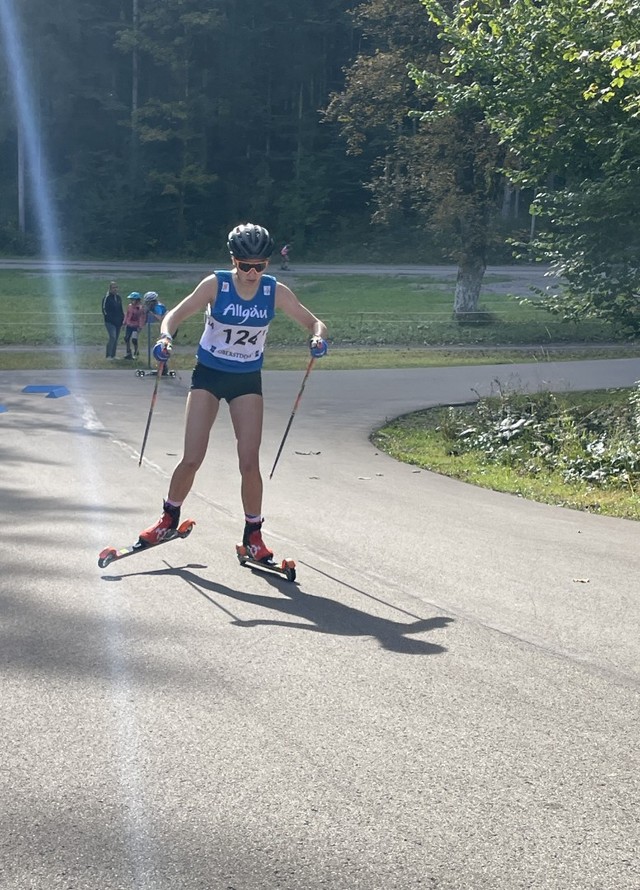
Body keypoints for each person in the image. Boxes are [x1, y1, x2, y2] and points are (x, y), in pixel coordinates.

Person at [138, 222, 328, 562]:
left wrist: (317, 337)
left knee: (249, 462)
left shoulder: (274, 291)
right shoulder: (216, 284)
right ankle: (168, 518)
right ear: (233, 261)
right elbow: (175, 317)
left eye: (260, 265)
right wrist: (164, 338)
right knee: (192, 456)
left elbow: (314, 322)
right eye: (245, 265)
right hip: (209, 375)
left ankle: (253, 535)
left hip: (246, 380)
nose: (253, 273)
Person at [142, 291, 170, 374]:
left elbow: (160, 318)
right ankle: (163, 367)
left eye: (148, 302)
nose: (146, 304)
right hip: (165, 329)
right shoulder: (156, 306)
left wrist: (151, 312)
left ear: (152, 301)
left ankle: (163, 368)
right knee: (162, 348)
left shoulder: (158, 307)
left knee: (161, 348)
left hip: (168, 329)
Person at [102, 281, 124, 359]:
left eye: (116, 287)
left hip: (118, 322)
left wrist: (122, 319)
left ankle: (113, 355)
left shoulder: (118, 298)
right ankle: (108, 355)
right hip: (110, 322)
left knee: (116, 339)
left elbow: (120, 309)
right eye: (113, 288)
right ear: (110, 289)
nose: (115, 289)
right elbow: (104, 309)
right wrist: (109, 318)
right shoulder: (107, 298)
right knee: (112, 337)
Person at [122, 292, 145, 359]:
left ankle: (136, 351)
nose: (132, 301)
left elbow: (141, 318)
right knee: (126, 338)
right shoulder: (129, 306)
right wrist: (124, 323)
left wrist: (140, 326)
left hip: (136, 326)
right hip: (129, 325)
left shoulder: (140, 308)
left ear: (137, 300)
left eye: (133, 299)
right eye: (131, 299)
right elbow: (127, 315)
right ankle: (128, 352)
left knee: (134, 339)